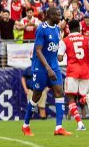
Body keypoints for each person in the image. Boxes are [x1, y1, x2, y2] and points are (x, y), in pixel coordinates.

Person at [25, 7, 71, 137]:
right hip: (40, 67)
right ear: (50, 16)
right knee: (36, 96)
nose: (59, 17)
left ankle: (59, 127)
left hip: (54, 66)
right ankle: (26, 125)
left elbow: (61, 26)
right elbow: (38, 50)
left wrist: (67, 19)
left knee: (59, 92)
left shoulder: (56, 28)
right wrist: (48, 68)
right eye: (57, 15)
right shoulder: (41, 29)